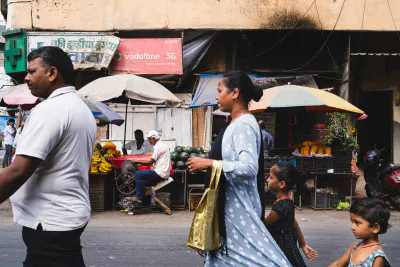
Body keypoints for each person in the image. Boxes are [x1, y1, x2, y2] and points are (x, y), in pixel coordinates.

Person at [0, 46, 96, 267]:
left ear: (52, 73)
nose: (26, 77)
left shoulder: (50, 110)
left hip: (50, 222)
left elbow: (18, 170)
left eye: (32, 71)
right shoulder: (80, 109)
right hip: (65, 218)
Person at [187, 71, 291, 267]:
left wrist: (209, 163)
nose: (216, 96)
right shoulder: (234, 123)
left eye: (219, 91)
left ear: (234, 93)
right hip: (229, 208)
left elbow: (249, 167)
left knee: (255, 260)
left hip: (240, 209)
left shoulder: (244, 124)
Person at [265, 163, 318, 266]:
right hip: (288, 246)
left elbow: (264, 224)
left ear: (281, 184)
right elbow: (295, 225)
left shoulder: (280, 206)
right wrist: (303, 244)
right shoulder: (287, 203)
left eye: (271, 177)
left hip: (283, 248)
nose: (267, 180)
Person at [329, 198, 391, 267]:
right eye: (352, 221)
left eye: (357, 223)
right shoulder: (355, 246)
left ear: (375, 228)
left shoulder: (377, 255)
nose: (352, 227)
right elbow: (337, 265)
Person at [130, 130, 170, 206]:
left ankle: (139, 199)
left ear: (153, 138)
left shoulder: (159, 146)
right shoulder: (162, 145)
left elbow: (150, 162)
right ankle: (145, 202)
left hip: (160, 173)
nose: (149, 142)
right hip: (162, 172)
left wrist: (136, 161)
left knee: (138, 174)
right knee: (141, 181)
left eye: (149, 139)